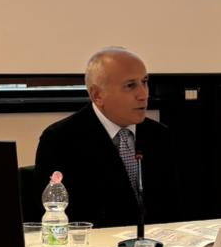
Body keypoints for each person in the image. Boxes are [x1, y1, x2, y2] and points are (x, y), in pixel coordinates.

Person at [33, 48, 179, 228]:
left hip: (156, 241)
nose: (143, 94)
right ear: (97, 95)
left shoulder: (159, 135)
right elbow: (53, 218)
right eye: (130, 85)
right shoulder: (60, 139)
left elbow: (174, 207)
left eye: (144, 82)